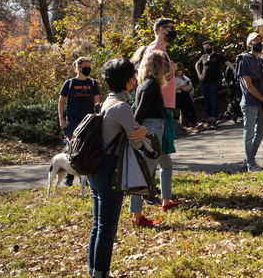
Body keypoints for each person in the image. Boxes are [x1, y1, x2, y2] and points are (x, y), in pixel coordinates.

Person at [88, 58, 147, 278]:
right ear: (127, 80)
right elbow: (136, 143)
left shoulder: (107, 102)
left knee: (98, 226)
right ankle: (101, 274)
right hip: (109, 169)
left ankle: (94, 272)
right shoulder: (122, 107)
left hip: (95, 168)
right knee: (107, 229)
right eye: (134, 74)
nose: (136, 77)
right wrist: (142, 131)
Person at [129, 49, 179, 226]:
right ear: (157, 65)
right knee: (144, 173)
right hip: (151, 130)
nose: (167, 66)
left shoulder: (145, 83)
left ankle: (165, 202)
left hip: (155, 128)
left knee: (166, 164)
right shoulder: (150, 85)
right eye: (164, 63)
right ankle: (136, 217)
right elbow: (140, 109)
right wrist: (135, 130)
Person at [58, 57, 101, 186]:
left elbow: (97, 103)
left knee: (87, 149)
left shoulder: (93, 83)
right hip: (72, 121)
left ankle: (87, 179)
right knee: (71, 149)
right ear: (78, 68)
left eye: (89, 66)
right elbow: (61, 102)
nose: (88, 68)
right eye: (85, 66)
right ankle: (68, 178)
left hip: (88, 122)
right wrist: (61, 120)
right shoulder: (69, 83)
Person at [237, 32, 263, 173]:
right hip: (250, 103)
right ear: (249, 44)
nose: (258, 42)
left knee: (261, 133)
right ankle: (251, 165)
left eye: (259, 39)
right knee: (249, 134)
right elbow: (248, 85)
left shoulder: (261, 61)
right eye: (254, 40)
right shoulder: (243, 60)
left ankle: (247, 162)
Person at [195, 40, 236, 129]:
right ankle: (209, 120)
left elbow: (227, 63)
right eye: (205, 48)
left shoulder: (218, 56)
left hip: (213, 82)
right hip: (204, 83)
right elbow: (197, 65)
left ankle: (214, 120)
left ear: (212, 47)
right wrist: (199, 74)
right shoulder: (203, 57)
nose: (206, 49)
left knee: (213, 102)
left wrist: (234, 69)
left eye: (208, 47)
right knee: (207, 102)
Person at [174, 62, 206, 130]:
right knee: (185, 110)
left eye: (181, 70)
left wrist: (192, 90)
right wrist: (181, 86)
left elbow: (190, 86)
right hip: (179, 95)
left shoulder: (185, 77)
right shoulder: (174, 79)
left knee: (191, 108)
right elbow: (172, 90)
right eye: (178, 70)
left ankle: (197, 122)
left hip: (187, 94)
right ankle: (194, 122)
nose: (180, 72)